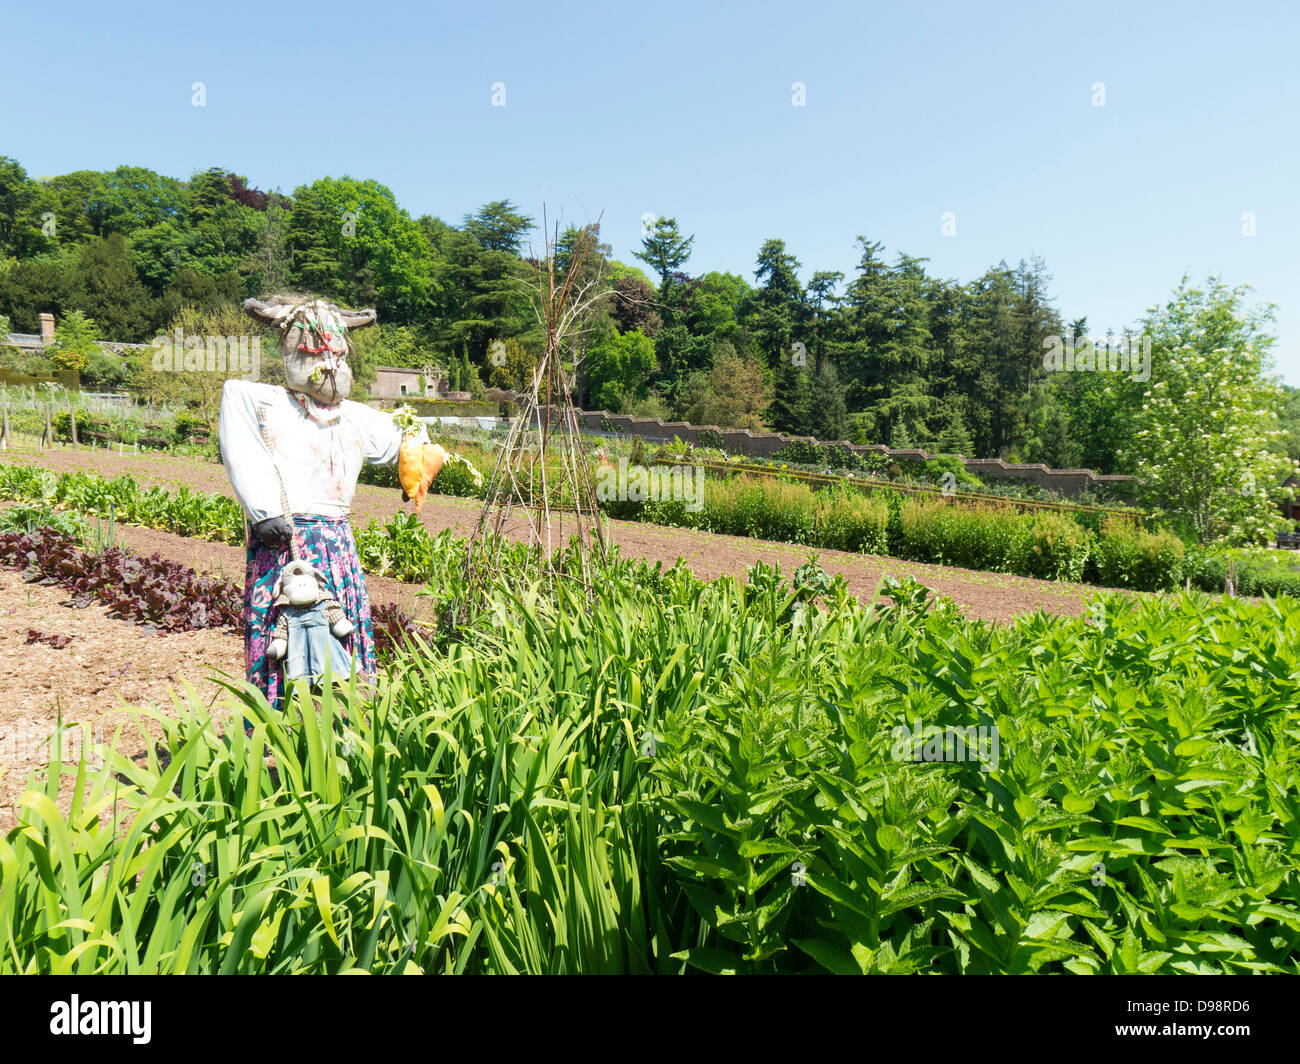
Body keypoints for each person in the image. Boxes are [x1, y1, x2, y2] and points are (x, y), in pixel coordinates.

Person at [217, 295, 441, 712]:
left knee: (339, 636)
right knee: (282, 640)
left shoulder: (356, 416)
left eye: (336, 353)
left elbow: (407, 440)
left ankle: (342, 732)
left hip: (337, 544)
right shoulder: (263, 401)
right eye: (316, 351)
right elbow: (235, 408)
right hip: (285, 547)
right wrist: (263, 511)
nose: (330, 363)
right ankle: (279, 736)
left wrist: (420, 463)